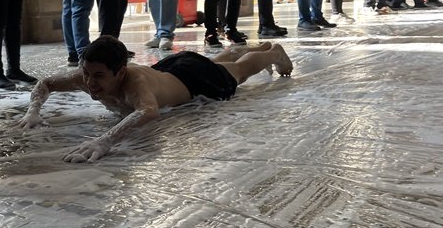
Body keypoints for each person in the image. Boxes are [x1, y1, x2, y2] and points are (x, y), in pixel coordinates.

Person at [18, 35, 292, 163]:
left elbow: (148, 111)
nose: (90, 82)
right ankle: (246, 50)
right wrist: (33, 111)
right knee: (221, 65)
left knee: (239, 72)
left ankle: (273, 53)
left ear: (120, 72)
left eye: (99, 76)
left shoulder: (134, 82)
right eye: (87, 73)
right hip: (170, 69)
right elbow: (46, 83)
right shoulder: (87, 75)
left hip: (195, 79)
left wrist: (105, 140)